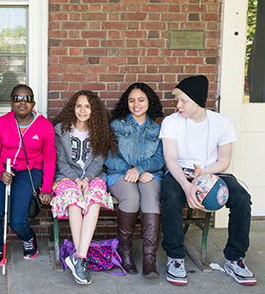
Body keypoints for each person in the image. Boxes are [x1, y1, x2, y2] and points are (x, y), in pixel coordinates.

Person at [160, 75, 256, 286]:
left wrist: (202, 173)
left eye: (184, 100)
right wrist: (186, 185)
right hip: (180, 172)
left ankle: (235, 258)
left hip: (212, 172)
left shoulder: (221, 122)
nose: (178, 105)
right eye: (178, 100)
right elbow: (170, 159)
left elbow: (224, 161)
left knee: (241, 198)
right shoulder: (171, 122)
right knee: (172, 195)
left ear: (198, 101)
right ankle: (175, 257)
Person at [0, 84, 55, 273]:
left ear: (34, 103)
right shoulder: (2, 123)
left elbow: (49, 159)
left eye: (27, 99)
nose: (22, 103)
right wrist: (0, 172)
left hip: (30, 171)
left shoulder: (44, 126)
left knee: (17, 220)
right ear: (11, 103)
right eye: (18, 99)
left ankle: (28, 239)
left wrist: (46, 188)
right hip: (4, 169)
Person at [50, 90, 118, 285]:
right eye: (79, 105)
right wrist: (76, 179)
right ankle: (81, 260)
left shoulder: (100, 131)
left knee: (95, 198)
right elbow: (61, 162)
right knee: (74, 201)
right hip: (66, 177)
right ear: (73, 107)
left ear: (93, 110)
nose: (82, 110)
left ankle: (79, 257)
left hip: (93, 177)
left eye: (87, 106)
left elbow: (98, 162)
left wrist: (87, 178)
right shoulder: (61, 130)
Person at [105, 83, 165, 278]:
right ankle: (126, 252)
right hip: (119, 174)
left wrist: (139, 170)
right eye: (132, 100)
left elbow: (160, 159)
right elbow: (108, 156)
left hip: (149, 174)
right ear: (126, 102)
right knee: (131, 198)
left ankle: (149, 258)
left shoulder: (157, 129)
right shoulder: (116, 125)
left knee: (150, 199)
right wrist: (130, 171)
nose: (136, 104)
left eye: (141, 100)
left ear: (149, 102)